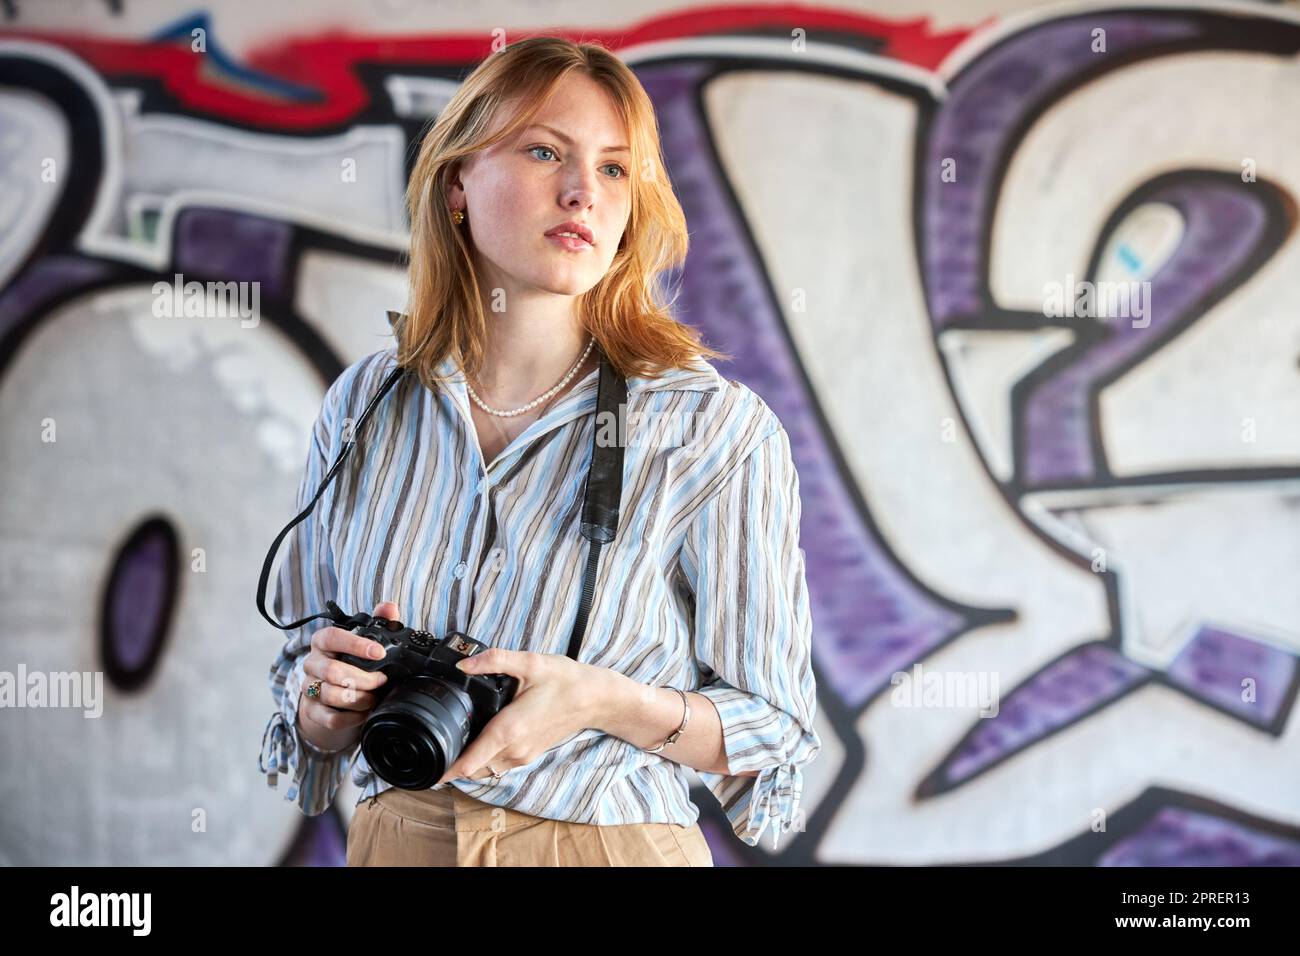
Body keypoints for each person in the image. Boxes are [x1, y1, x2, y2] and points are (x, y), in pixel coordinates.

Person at [257, 35, 820, 867]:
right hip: (396, 837)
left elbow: (775, 725)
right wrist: (328, 703)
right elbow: (298, 670)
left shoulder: (708, 427)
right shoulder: (367, 404)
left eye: (616, 169)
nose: (581, 192)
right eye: (544, 150)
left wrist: (598, 701)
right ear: (458, 181)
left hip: (606, 845)